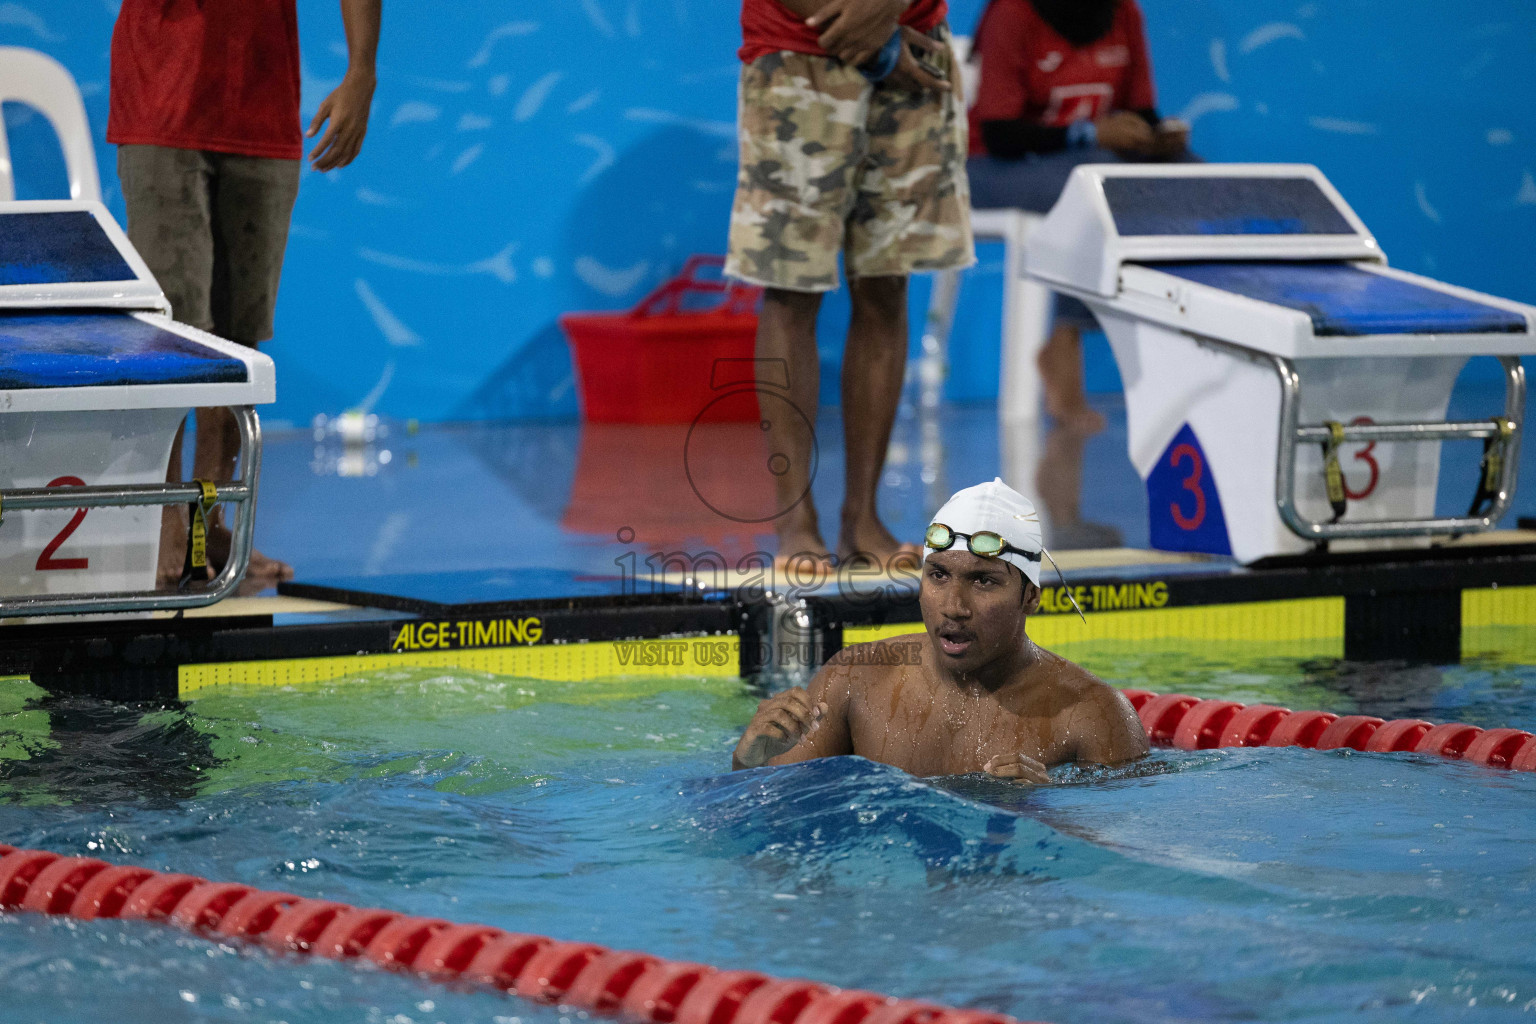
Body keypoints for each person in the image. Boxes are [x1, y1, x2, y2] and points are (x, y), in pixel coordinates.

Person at [108, 0, 382, 587]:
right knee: (172, 338)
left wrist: (362, 70)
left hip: (262, 103)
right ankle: (164, 522)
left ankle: (209, 520)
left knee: (238, 341)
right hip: (163, 100)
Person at [726, 0, 976, 571]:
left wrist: (886, 13)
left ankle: (862, 516)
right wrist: (872, 29)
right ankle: (795, 520)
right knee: (791, 289)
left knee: (888, 284)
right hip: (799, 47)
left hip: (916, 47)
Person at [733, 478, 1148, 778]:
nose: (953, 607)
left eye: (983, 581)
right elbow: (772, 827)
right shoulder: (854, 681)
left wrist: (1046, 805)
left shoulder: (1092, 716)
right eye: (939, 576)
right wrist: (749, 763)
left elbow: (1111, 863)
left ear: (1031, 597)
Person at [966, 0, 1191, 431]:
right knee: (1090, 188)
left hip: (1088, 164)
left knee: (1189, 178)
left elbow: (1140, 112)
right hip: (989, 167)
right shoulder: (1013, 14)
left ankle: (1198, 351)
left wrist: (1158, 138)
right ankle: (1065, 339)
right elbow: (999, 133)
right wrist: (1087, 132)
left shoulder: (1124, 12)